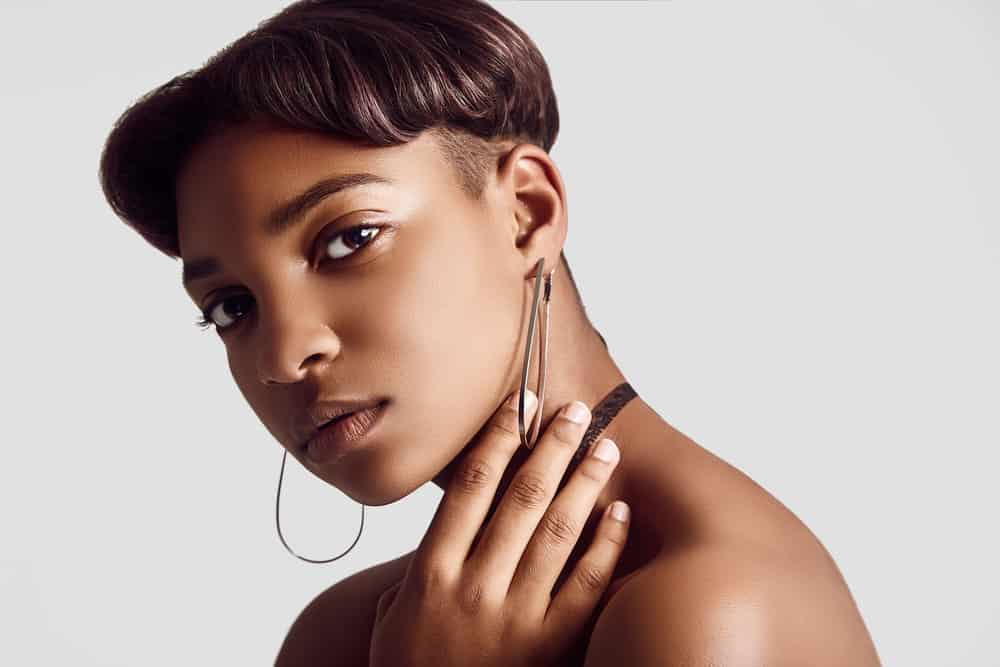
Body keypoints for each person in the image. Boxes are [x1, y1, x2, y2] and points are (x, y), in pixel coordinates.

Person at [97, 0, 881, 664]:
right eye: (233, 305)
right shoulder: (350, 632)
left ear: (527, 213)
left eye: (349, 239)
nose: (281, 355)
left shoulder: (711, 606)